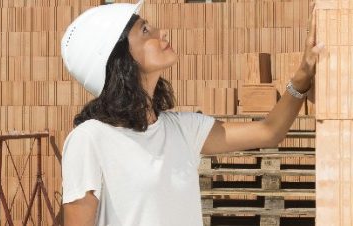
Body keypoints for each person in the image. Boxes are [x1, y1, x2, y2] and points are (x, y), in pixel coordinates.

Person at [58, 0, 323, 225]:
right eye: (145, 30)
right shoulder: (89, 140)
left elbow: (269, 132)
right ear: (118, 59)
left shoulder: (182, 130)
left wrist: (302, 77)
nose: (161, 34)